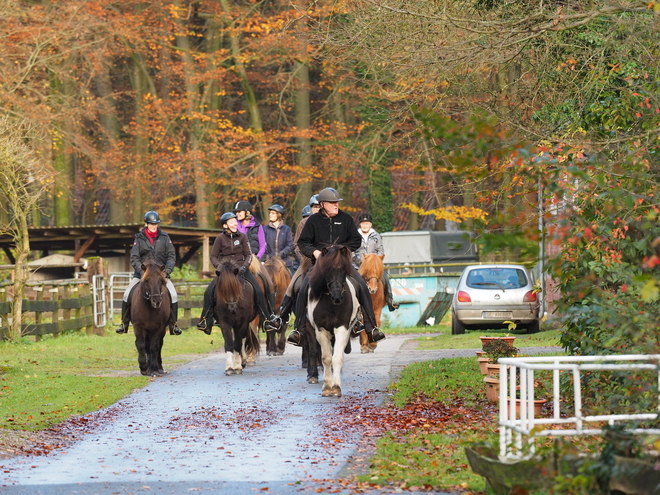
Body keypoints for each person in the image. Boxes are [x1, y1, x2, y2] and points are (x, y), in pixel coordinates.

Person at [286, 187, 386, 346]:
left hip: (342, 263)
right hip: (320, 265)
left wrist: (343, 250)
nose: (336, 205)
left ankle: (370, 327)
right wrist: (315, 252)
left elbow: (355, 240)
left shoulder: (346, 219)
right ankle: (298, 330)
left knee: (361, 286)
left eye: (337, 202)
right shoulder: (313, 221)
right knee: (303, 288)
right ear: (322, 204)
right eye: (332, 202)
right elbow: (303, 242)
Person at [196, 212, 281, 335]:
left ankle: (267, 319)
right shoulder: (220, 238)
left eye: (235, 221)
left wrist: (244, 267)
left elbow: (248, 255)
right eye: (232, 222)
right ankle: (205, 319)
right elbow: (213, 256)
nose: (235, 223)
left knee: (258, 290)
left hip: (241, 269)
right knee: (208, 292)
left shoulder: (242, 237)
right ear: (225, 225)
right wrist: (219, 267)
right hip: (225, 271)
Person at [115, 210, 182, 336]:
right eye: (151, 224)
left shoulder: (165, 238)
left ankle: (173, 324)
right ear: (146, 224)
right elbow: (134, 257)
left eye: (156, 224)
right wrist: (142, 273)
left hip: (161, 276)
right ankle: (124, 323)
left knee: (173, 295)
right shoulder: (139, 238)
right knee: (126, 294)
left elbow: (171, 256)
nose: (154, 226)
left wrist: (166, 271)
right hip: (142, 275)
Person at [279, 194, 321, 328]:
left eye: (319, 207)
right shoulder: (304, 223)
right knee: (293, 286)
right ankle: (283, 317)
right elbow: (297, 245)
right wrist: (305, 259)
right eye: (315, 207)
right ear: (311, 208)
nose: (317, 209)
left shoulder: (332, 222)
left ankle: (360, 319)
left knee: (353, 281)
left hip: (328, 262)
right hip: (308, 261)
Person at [353, 212, 399, 312]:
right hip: (359, 265)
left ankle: (390, 299)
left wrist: (376, 260)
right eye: (363, 223)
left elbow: (380, 250)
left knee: (385, 278)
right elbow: (352, 251)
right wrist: (360, 260)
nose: (365, 225)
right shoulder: (355, 236)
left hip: (373, 265)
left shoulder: (376, 236)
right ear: (360, 224)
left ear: (370, 225)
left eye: (367, 223)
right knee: (351, 281)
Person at [263, 204, 294, 273]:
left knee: (293, 278)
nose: (270, 214)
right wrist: (266, 256)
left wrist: (282, 253)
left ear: (279, 215)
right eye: (270, 213)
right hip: (269, 261)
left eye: (273, 213)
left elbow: (290, 245)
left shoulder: (286, 229)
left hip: (284, 260)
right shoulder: (265, 229)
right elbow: (262, 245)